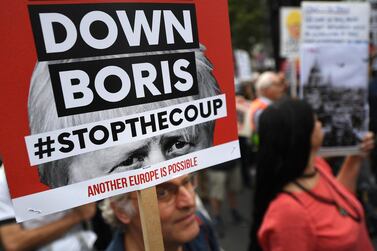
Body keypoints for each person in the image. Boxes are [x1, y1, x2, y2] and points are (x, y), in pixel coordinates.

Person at [27, 47, 221, 188]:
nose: (169, 179)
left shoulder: (203, 230)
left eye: (179, 144)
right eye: (129, 162)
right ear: (62, 178)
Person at [249, 98, 375, 251]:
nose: (320, 124)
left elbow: (339, 200)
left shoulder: (316, 167)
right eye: (314, 121)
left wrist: (355, 157)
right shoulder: (288, 214)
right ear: (302, 135)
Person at [100, 174, 220, 251]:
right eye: (161, 193)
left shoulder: (199, 224)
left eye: (187, 181)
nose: (189, 202)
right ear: (122, 211)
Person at [0, 164, 97, 251]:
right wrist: (76, 216)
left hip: (83, 243)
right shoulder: (3, 182)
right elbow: (14, 243)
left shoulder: (65, 164)